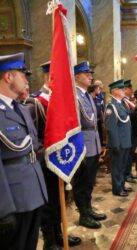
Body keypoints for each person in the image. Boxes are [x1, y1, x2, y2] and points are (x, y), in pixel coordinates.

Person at [26, 61, 81, 249]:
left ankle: (59, 234)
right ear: (51, 78)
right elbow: (32, 137)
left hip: (62, 157)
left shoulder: (60, 101)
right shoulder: (36, 102)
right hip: (46, 161)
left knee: (59, 201)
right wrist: (48, 155)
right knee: (49, 202)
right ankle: (49, 240)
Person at [0, 53, 48, 250]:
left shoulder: (20, 108)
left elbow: (32, 147)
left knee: (30, 243)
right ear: (8, 77)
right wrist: (3, 209)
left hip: (33, 190)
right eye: (22, 74)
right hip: (14, 198)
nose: (26, 79)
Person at [73, 61, 106, 229]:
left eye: (90, 73)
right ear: (77, 76)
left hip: (93, 142)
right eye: (86, 74)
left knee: (90, 181)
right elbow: (80, 122)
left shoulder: (86, 95)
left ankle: (88, 208)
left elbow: (94, 120)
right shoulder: (74, 96)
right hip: (83, 144)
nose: (90, 76)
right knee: (82, 182)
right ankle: (83, 215)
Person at [104, 79, 132, 197]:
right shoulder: (111, 106)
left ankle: (122, 185)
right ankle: (117, 188)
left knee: (123, 166)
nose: (123, 90)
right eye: (121, 89)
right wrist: (115, 144)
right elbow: (111, 127)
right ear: (114, 91)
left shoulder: (121, 104)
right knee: (117, 167)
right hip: (118, 143)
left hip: (125, 141)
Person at [122, 79, 137, 183]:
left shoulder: (128, 100)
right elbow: (128, 114)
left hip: (132, 131)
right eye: (130, 88)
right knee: (126, 156)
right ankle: (126, 174)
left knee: (130, 154)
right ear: (125, 89)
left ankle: (128, 173)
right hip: (128, 132)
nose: (132, 90)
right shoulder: (123, 101)